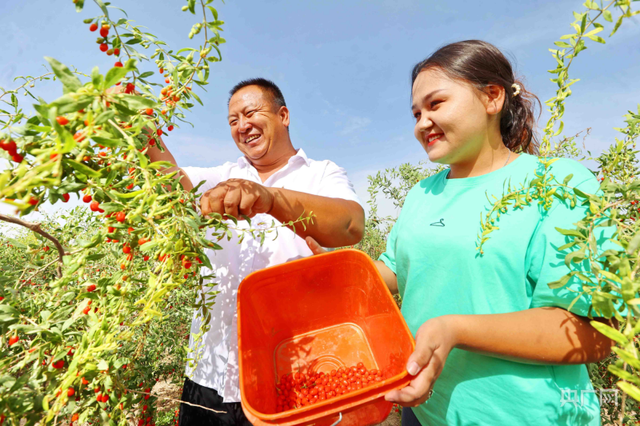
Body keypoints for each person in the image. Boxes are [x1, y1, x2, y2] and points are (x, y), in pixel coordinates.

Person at [307, 40, 614, 425]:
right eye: (416, 113)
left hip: (527, 415)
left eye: (436, 104)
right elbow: (398, 271)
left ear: (492, 97)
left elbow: (591, 335)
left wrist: (456, 330)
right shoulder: (423, 194)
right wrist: (340, 272)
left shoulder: (562, 184)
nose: (422, 123)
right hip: (426, 408)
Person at [145, 78, 365, 425]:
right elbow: (171, 185)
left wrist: (271, 199)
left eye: (250, 113)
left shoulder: (322, 174)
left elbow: (351, 224)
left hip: (289, 377)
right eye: (233, 120)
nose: (242, 126)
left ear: (284, 115)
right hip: (209, 374)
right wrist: (141, 131)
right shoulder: (223, 176)